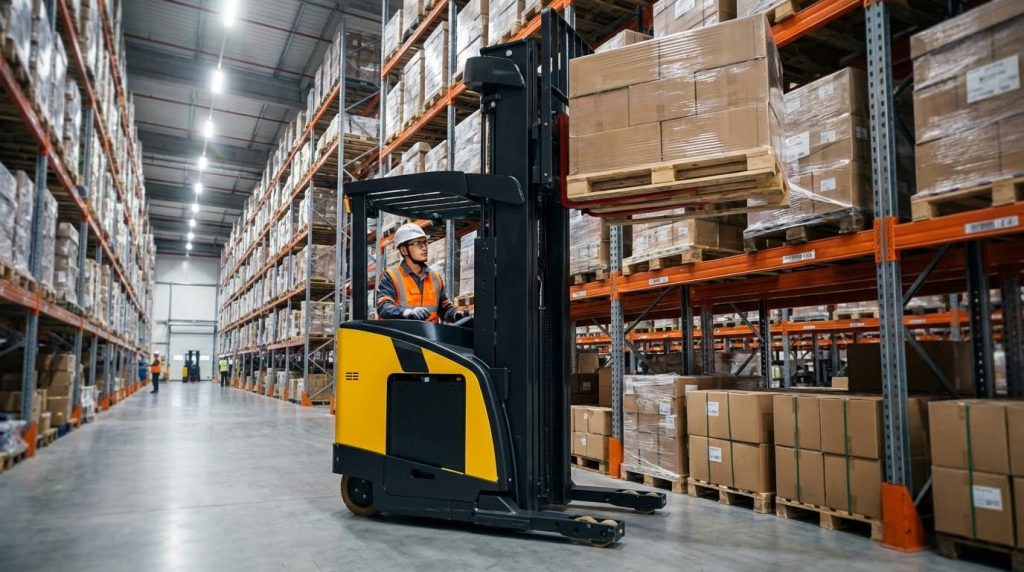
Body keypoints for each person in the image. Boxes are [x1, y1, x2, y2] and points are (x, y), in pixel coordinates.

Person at [375, 223, 467, 323]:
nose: (424, 247)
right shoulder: (391, 276)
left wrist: (456, 315)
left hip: (428, 336)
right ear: (404, 250)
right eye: (418, 243)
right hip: (401, 336)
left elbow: (444, 308)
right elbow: (383, 307)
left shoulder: (435, 278)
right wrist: (407, 313)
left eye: (425, 243)